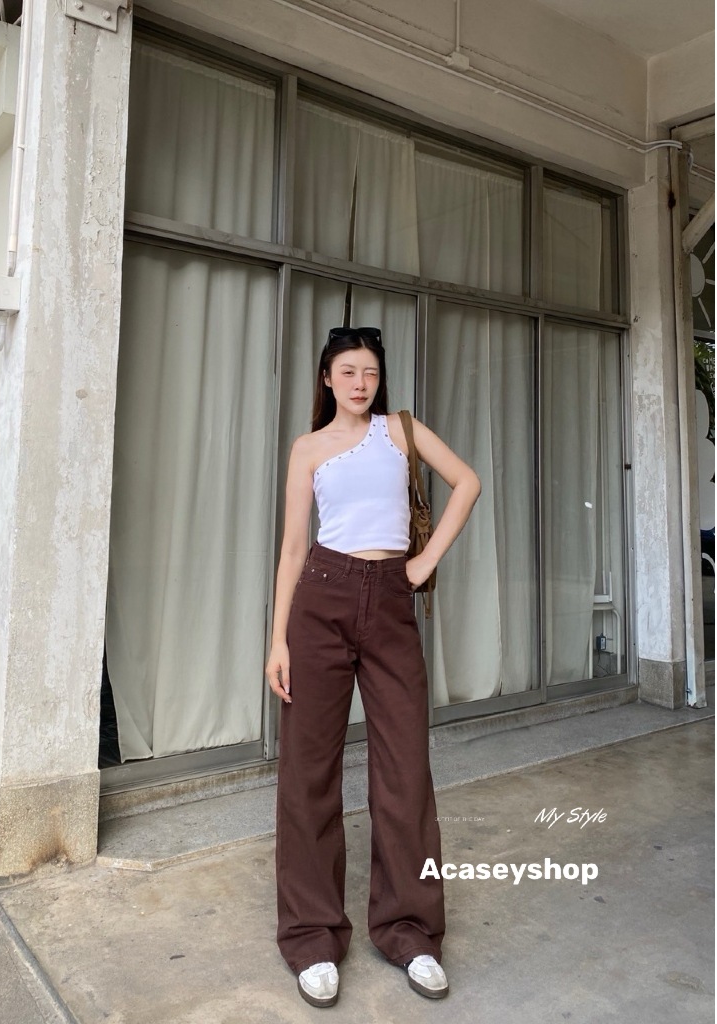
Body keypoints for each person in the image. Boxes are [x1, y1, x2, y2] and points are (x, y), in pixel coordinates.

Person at [265, 326, 481, 1008]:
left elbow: (467, 482)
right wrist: (278, 640)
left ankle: (410, 932)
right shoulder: (308, 448)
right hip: (321, 601)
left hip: (390, 601)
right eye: (348, 372)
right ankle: (312, 938)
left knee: (405, 772)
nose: (361, 383)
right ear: (327, 378)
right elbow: (293, 548)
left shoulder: (401, 432)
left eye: (370, 372)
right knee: (308, 774)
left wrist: (422, 562)